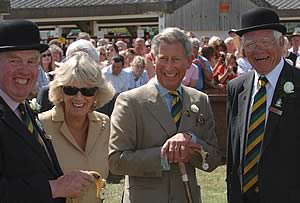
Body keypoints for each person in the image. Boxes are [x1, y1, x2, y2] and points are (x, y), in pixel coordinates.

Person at [108, 27, 220, 203]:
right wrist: (164, 155)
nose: (169, 67)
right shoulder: (130, 102)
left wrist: (192, 142)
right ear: (152, 59)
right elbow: (116, 161)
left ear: (190, 61)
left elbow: (213, 159)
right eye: (163, 59)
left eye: (176, 59)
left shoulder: (200, 100)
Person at [0, 19, 96, 203]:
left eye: (32, 61)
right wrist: (55, 188)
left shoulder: (23, 107)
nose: (25, 70)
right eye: (15, 60)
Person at [226, 7, 300, 203]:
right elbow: (234, 151)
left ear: (282, 45)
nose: (258, 51)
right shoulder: (236, 87)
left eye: (265, 42)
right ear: (242, 49)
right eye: (250, 44)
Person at [39, 51, 115, 203]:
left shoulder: (104, 124)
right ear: (61, 91)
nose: (79, 97)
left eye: (87, 91)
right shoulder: (41, 125)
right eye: (71, 90)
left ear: (97, 94)